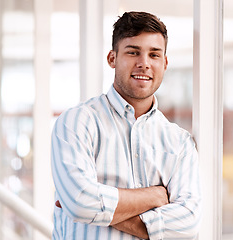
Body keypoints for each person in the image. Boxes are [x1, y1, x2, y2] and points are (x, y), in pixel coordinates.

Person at [51, 11, 201, 240]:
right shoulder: (77, 122)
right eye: (133, 52)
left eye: (154, 55)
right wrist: (155, 196)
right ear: (112, 58)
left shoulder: (179, 143)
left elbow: (188, 223)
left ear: (165, 63)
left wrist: (96, 210)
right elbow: (80, 202)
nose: (144, 63)